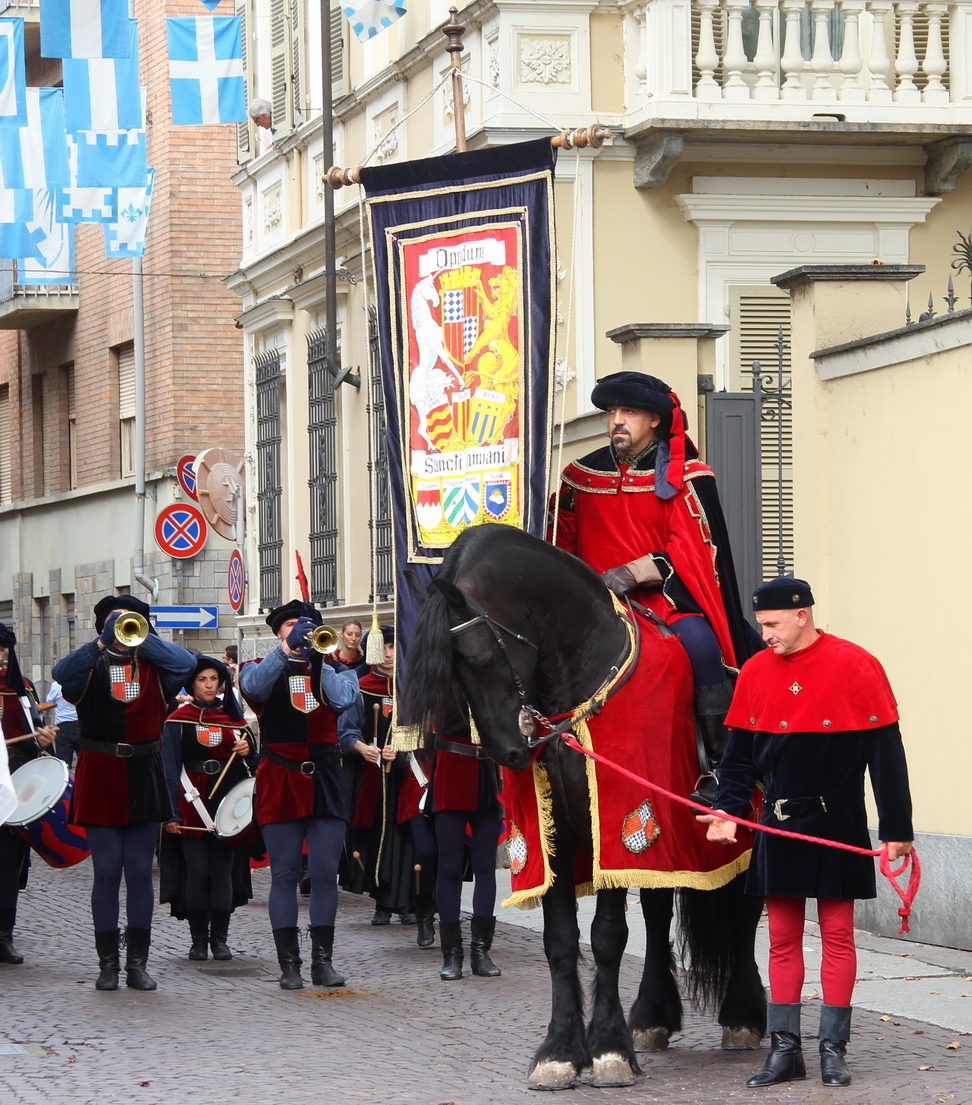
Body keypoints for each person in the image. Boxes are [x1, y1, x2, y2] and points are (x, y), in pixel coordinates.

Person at [696, 578, 913, 1089]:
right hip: (778, 821)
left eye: (771, 624)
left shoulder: (857, 664)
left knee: (837, 935)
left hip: (837, 820)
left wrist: (898, 828)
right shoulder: (754, 671)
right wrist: (728, 812)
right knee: (781, 939)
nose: (764, 634)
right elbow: (739, 760)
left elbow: (887, 755)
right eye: (761, 624)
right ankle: (785, 1052)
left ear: (801, 615)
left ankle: (833, 1051)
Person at [549, 371, 757, 805]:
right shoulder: (579, 474)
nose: (617, 421)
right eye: (611, 413)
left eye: (629, 412)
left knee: (701, 645)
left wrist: (633, 572)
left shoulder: (690, 475)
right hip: (593, 603)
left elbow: (696, 550)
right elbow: (561, 539)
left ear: (655, 420)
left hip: (663, 599)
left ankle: (721, 766)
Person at [52, 596, 197, 992]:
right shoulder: (88, 668)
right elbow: (61, 673)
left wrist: (142, 637)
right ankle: (108, 964)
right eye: (118, 624)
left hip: (144, 773)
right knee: (107, 873)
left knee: (138, 874)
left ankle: (137, 963)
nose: (124, 631)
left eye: (129, 623)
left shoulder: (156, 668)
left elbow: (186, 665)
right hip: (100, 774)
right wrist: (101, 642)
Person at [238, 599, 361, 990]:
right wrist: (286, 652)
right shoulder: (258, 667)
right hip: (281, 777)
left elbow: (344, 700)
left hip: (325, 778)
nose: (300, 631)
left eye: (306, 626)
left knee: (325, 874)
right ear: (278, 632)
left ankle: (322, 962)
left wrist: (319, 659)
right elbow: (253, 689)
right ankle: (288, 964)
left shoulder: (338, 670)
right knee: (285, 873)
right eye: (291, 625)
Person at [161, 656, 254, 961]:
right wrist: (171, 813)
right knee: (198, 872)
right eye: (202, 679)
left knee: (223, 872)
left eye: (214, 679)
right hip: (191, 801)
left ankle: (220, 939)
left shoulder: (234, 718)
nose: (209, 685)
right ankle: (198, 938)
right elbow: (170, 767)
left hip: (227, 803)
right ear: (192, 683)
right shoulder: (177, 718)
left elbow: (254, 765)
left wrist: (248, 749)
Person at [339, 626, 416, 925]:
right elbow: (345, 731)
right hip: (371, 777)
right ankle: (381, 901)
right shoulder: (360, 686)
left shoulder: (413, 688)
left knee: (407, 838)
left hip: (409, 775)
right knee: (375, 837)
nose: (388, 654)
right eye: (383, 648)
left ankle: (407, 901)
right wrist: (361, 748)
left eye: (393, 647)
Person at [429, 688, 503, 981]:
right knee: (449, 867)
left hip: (485, 769)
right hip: (450, 766)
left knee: (485, 866)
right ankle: (452, 954)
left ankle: (481, 951)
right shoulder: (441, 671)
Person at [0, 624, 57, 964]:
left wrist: (42, 739)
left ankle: (4, 935)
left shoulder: (21, 689)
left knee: (7, 861)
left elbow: (33, 732)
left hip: (15, 783)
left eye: (3, 652)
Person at [36, 679, 80, 767]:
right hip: (80, 724)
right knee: (85, 761)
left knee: (64, 763)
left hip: (63, 725)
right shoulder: (81, 682)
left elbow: (49, 700)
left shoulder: (57, 685)